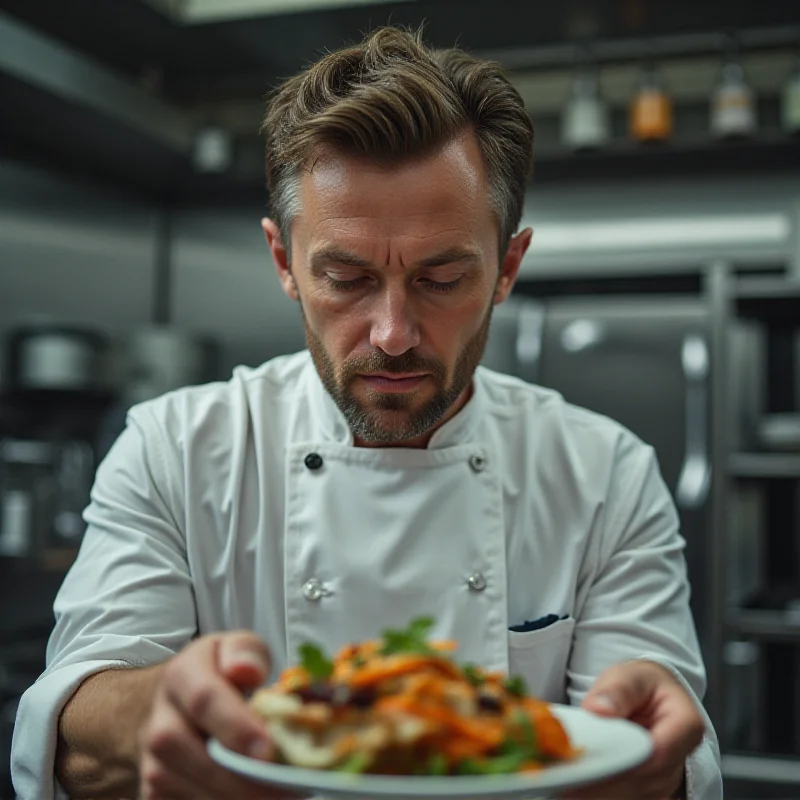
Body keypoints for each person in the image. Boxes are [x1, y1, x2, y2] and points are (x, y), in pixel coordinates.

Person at [11, 26, 721, 800]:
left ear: (507, 268)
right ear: (285, 262)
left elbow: (657, 742)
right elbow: (74, 725)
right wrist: (155, 711)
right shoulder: (174, 447)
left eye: (442, 278)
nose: (392, 334)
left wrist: (651, 755)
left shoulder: (602, 472)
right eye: (346, 277)